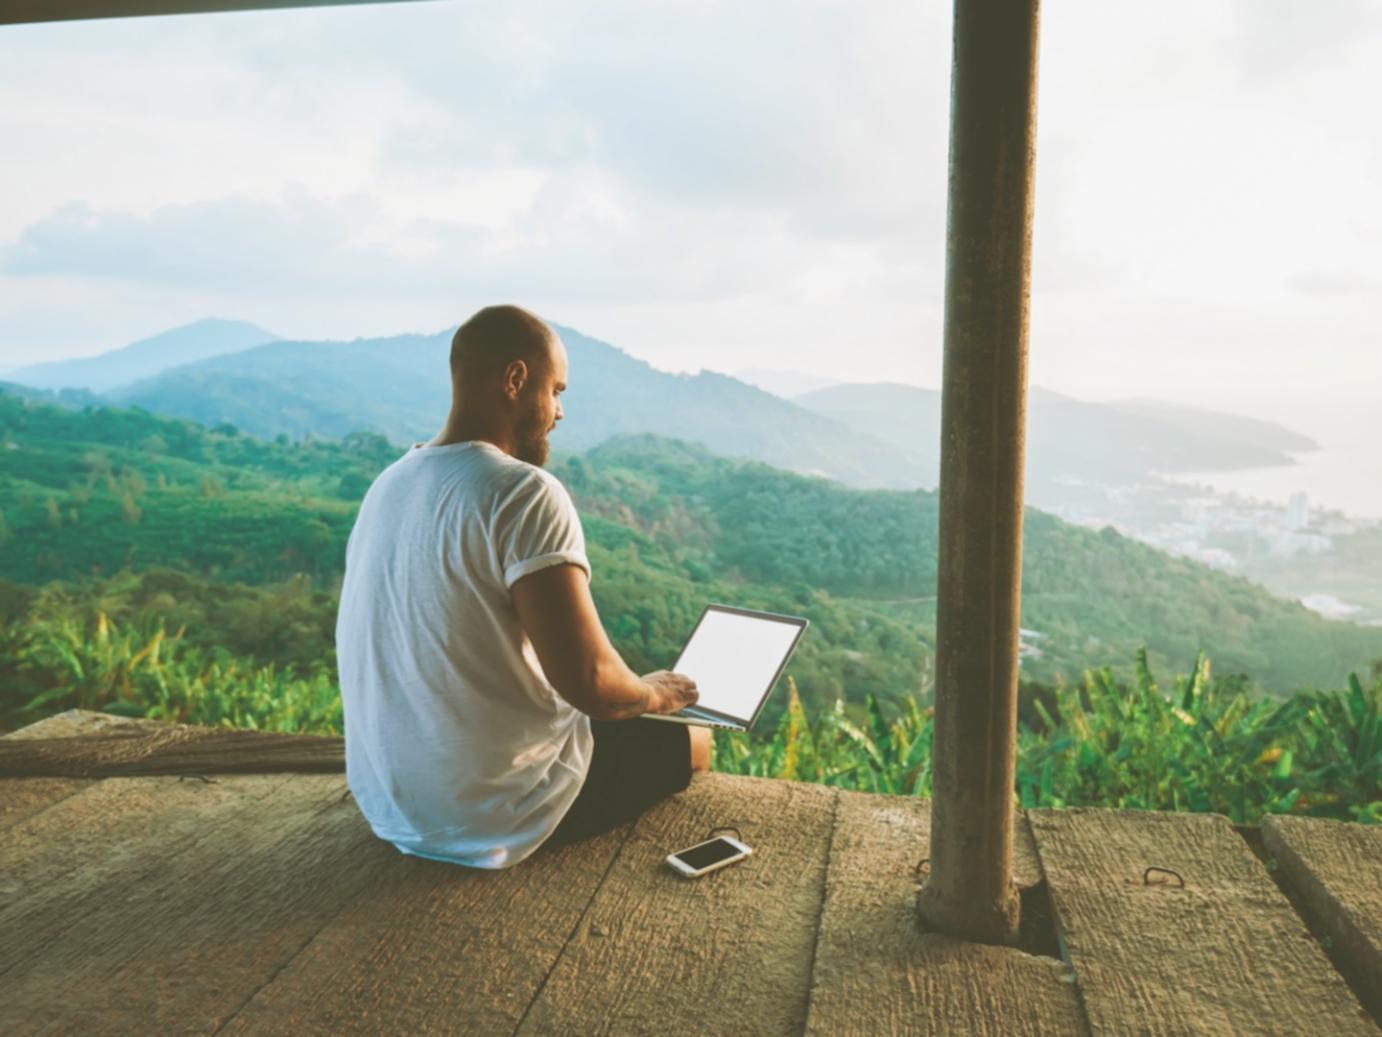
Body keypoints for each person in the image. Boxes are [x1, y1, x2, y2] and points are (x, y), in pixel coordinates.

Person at [335, 304, 711, 869]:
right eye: (556, 390)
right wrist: (657, 693)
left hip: (389, 805)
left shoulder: (389, 483)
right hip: (487, 816)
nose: (559, 412)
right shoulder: (524, 491)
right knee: (695, 741)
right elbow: (590, 683)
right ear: (515, 380)